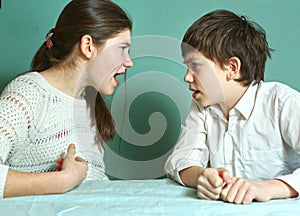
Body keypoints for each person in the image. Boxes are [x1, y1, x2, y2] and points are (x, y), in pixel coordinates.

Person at [164, 9, 300, 204]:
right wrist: (202, 177)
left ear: (232, 68)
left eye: (196, 66)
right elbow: (180, 161)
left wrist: (265, 188)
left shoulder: (281, 102)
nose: (187, 77)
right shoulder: (202, 107)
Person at [0, 0, 133, 198]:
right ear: (88, 46)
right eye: (122, 49)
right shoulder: (27, 96)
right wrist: (64, 180)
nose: (129, 62)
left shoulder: (88, 104)